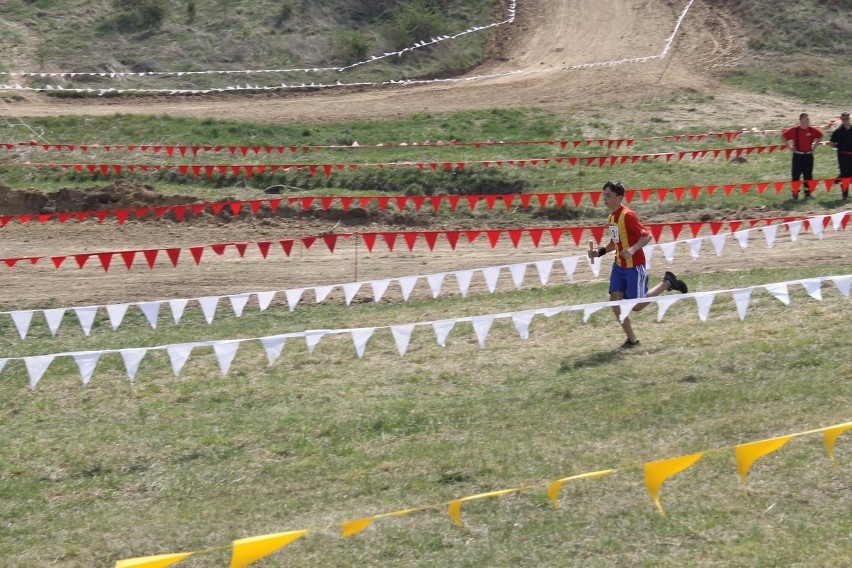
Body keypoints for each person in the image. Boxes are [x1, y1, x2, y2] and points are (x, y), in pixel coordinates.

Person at [588, 181, 689, 349]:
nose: (604, 199)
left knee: (636, 306)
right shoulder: (612, 217)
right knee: (615, 301)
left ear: (619, 197)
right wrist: (599, 252)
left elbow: (647, 236)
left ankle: (668, 282)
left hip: (634, 267)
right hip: (618, 266)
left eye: (608, 195)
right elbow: (615, 242)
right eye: (604, 195)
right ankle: (632, 340)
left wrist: (633, 249)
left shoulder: (628, 215)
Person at [781, 113, 824, 199]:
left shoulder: (811, 130)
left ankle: (808, 194)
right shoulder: (795, 130)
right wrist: (789, 146)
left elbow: (820, 136)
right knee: (796, 175)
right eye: (805, 120)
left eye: (808, 119)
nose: (807, 121)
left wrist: (814, 145)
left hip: (808, 155)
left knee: (808, 175)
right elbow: (783, 136)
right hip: (798, 156)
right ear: (800, 121)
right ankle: (795, 194)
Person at [828, 111, 852, 200]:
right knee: (845, 174)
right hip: (843, 156)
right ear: (841, 119)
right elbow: (831, 143)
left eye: (847, 118)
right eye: (844, 119)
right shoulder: (838, 131)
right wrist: (838, 147)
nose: (845, 120)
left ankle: (838, 178)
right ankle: (844, 195)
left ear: (849, 119)